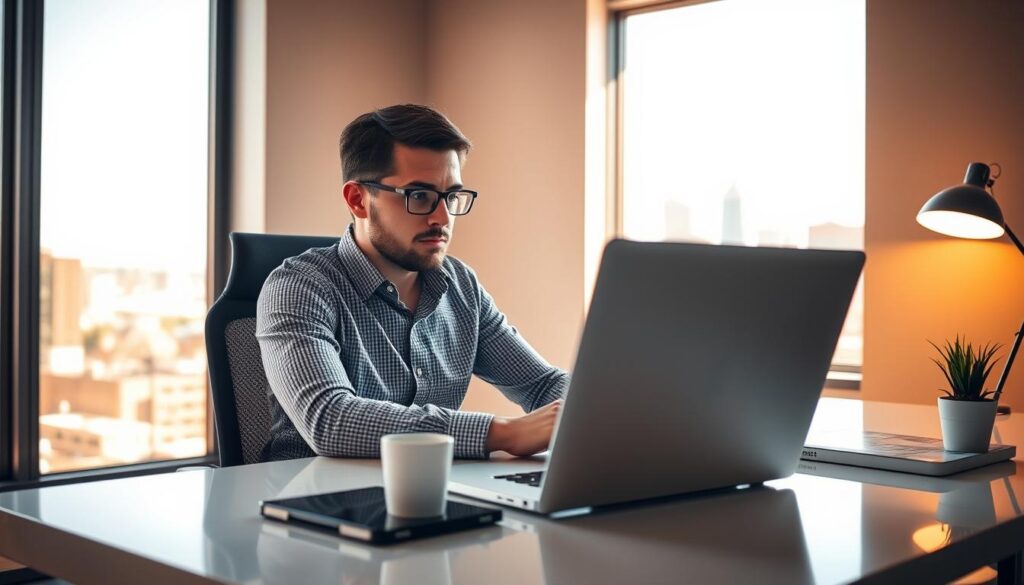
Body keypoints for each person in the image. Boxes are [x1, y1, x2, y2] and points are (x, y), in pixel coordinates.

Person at [257, 104, 568, 462]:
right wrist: (504, 433)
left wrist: (594, 410)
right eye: (419, 196)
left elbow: (543, 384)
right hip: (313, 499)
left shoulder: (462, 288)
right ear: (358, 200)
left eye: (451, 196)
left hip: (434, 494)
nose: (442, 217)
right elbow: (330, 420)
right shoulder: (299, 288)